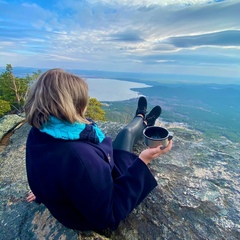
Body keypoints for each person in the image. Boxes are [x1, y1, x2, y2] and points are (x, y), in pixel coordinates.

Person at [25, 68, 172, 231]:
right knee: (126, 134)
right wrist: (144, 161)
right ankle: (142, 119)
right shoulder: (79, 157)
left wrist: (46, 192)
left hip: (87, 186)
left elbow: (45, 167)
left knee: (126, 134)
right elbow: (109, 216)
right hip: (89, 211)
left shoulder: (40, 130)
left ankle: (142, 118)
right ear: (74, 105)